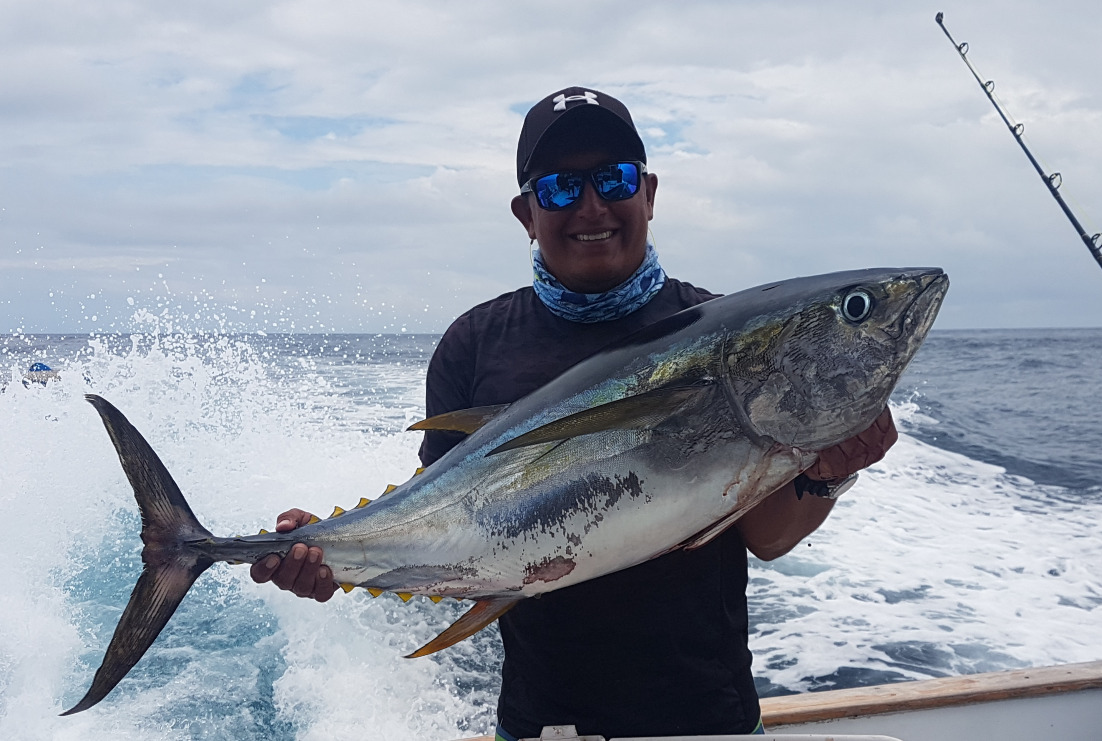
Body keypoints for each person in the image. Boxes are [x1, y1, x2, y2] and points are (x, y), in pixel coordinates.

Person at [251, 86, 898, 739]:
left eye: (612, 179)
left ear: (647, 193)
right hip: (544, 726)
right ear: (526, 213)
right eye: (559, 188)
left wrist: (827, 472)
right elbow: (449, 527)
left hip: (710, 721)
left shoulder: (720, 337)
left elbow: (767, 535)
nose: (591, 206)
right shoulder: (474, 344)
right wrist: (330, 551)